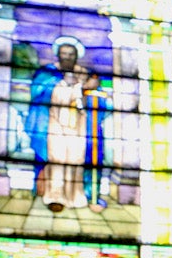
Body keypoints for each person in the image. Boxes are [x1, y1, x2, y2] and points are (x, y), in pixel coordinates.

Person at [25, 35, 109, 213]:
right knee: (56, 159)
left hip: (79, 126)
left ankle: (75, 196)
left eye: (71, 54)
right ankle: (54, 197)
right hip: (54, 124)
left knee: (75, 159)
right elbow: (39, 92)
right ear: (58, 55)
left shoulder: (86, 74)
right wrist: (77, 88)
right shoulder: (47, 73)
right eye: (64, 54)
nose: (67, 57)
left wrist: (91, 89)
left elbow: (98, 99)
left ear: (76, 55)